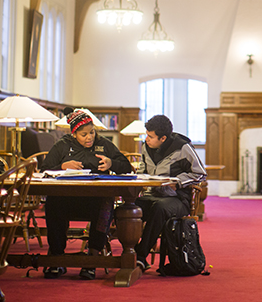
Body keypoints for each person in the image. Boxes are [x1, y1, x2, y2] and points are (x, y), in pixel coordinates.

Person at [40, 108, 132, 280]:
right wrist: (62, 167)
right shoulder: (62, 145)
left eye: (92, 132)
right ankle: (56, 256)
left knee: (106, 203)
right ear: (74, 134)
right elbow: (43, 170)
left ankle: (93, 254)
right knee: (52, 202)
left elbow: (127, 166)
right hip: (66, 199)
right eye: (84, 134)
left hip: (95, 200)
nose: (89, 137)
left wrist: (111, 163)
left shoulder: (104, 144)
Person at [134, 114, 207, 271]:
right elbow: (142, 169)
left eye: (150, 136)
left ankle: (139, 257)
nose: (146, 139)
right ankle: (131, 253)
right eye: (146, 135)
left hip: (178, 200)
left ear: (163, 138)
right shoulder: (146, 146)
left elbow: (200, 173)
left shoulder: (183, 147)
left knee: (159, 209)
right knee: (126, 208)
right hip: (150, 195)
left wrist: (178, 182)